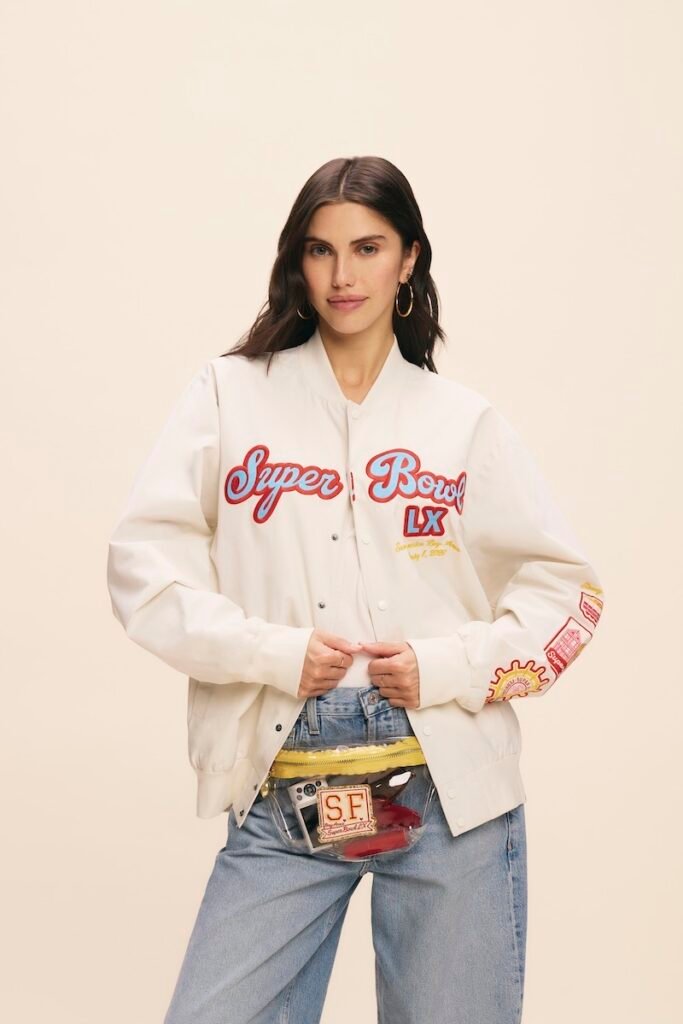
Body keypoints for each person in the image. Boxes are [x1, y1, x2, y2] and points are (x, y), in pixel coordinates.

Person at [106, 155, 605, 1023]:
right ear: (296, 262)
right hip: (287, 780)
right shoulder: (229, 396)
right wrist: (274, 652)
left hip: (446, 788)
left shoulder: (461, 423)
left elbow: (567, 593)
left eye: (367, 248)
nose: (342, 275)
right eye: (320, 250)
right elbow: (142, 570)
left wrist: (447, 667)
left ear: (408, 259)